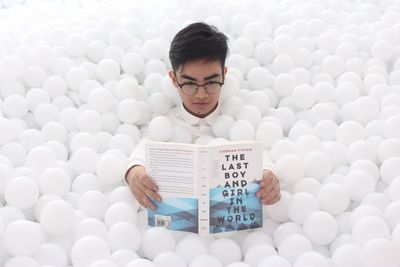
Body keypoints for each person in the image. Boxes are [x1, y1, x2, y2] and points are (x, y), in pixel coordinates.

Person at [125, 22, 281, 210]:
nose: (201, 95)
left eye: (211, 82)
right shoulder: (164, 122)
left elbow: (261, 149)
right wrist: (133, 172)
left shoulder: (242, 116)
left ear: (224, 75)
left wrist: (270, 174)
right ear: (174, 80)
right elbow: (142, 149)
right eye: (190, 84)